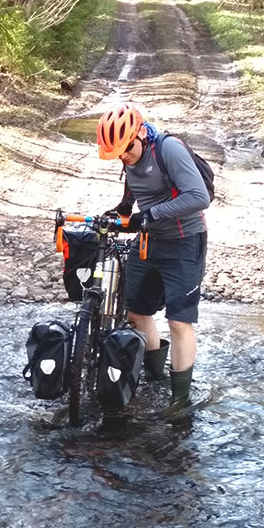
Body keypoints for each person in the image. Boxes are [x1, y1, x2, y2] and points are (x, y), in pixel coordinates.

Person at [95, 102, 209, 419]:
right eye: (117, 153)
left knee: (178, 321)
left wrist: (152, 215)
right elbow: (134, 184)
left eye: (127, 149)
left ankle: (180, 400)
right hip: (149, 243)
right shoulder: (128, 154)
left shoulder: (169, 150)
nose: (124, 157)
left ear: (141, 134)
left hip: (185, 242)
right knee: (137, 313)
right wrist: (122, 211)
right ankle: (156, 378)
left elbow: (199, 197)